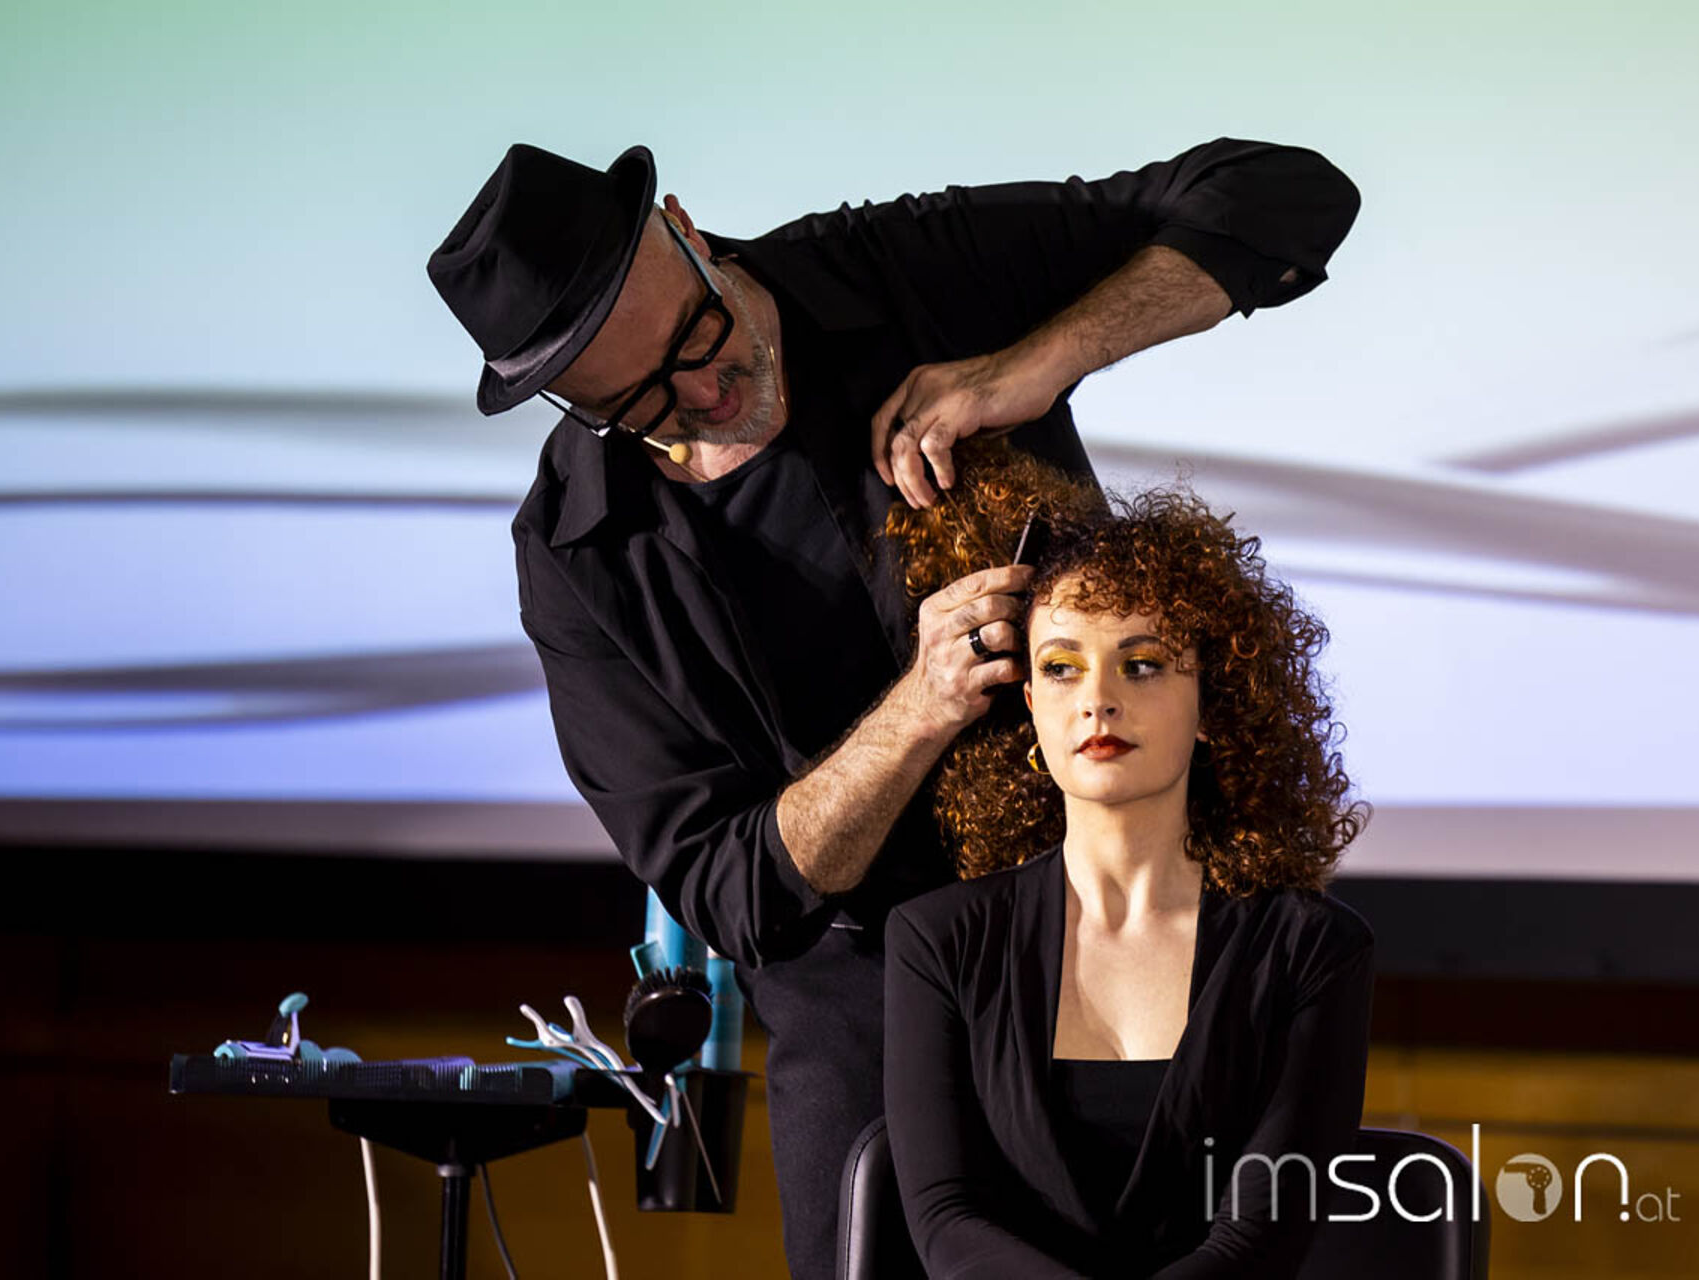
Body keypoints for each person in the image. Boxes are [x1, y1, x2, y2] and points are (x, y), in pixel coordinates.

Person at [425, 138, 1361, 1279]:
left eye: (699, 338)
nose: (705, 397)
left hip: (1129, 920)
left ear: (683, 227)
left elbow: (1282, 197)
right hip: (858, 998)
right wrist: (917, 709)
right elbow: (731, 890)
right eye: (642, 405)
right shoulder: (579, 558)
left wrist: (1033, 365)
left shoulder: (897, 270)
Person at [882, 456, 1375, 1279]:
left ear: (1211, 702)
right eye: (1061, 667)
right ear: (1031, 705)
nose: (1097, 699)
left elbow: (1261, 1240)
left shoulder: (1312, 950)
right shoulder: (938, 941)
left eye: (1141, 664)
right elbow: (946, 1222)